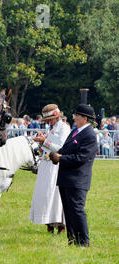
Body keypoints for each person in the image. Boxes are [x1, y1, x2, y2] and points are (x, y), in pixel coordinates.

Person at [49, 90, 97, 247]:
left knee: (77, 210)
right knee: (68, 211)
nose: (74, 117)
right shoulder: (75, 132)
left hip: (77, 179)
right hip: (66, 178)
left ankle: (84, 241)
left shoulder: (89, 135)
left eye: (76, 115)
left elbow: (82, 158)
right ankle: (72, 239)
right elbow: (66, 149)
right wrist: (55, 154)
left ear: (84, 118)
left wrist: (61, 158)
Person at [29, 104, 71, 234]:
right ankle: (48, 221)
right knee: (45, 194)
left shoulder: (64, 128)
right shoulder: (50, 128)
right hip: (46, 163)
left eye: (50, 120)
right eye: (47, 121)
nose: (48, 122)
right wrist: (41, 144)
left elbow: (60, 147)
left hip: (56, 164)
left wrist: (44, 141)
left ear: (57, 117)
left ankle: (60, 224)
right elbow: (45, 149)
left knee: (56, 195)